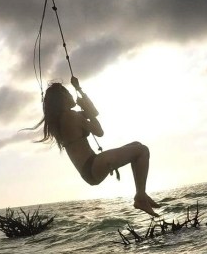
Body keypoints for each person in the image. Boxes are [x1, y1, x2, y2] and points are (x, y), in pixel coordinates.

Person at [37, 78, 160, 217]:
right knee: (142, 150)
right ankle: (140, 197)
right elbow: (99, 132)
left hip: (90, 169)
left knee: (137, 145)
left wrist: (79, 89)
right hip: (93, 165)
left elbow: (94, 113)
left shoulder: (63, 119)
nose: (71, 96)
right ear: (63, 98)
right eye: (69, 93)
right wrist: (85, 107)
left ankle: (141, 195)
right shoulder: (70, 116)